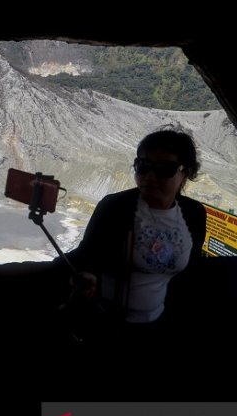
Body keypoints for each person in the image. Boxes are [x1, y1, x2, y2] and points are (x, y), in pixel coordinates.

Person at [51, 128, 207, 346]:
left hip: (160, 325)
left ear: (186, 173)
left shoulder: (193, 214)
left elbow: (190, 272)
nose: (149, 176)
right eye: (143, 166)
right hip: (107, 326)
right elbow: (88, 256)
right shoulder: (115, 207)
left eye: (164, 169)